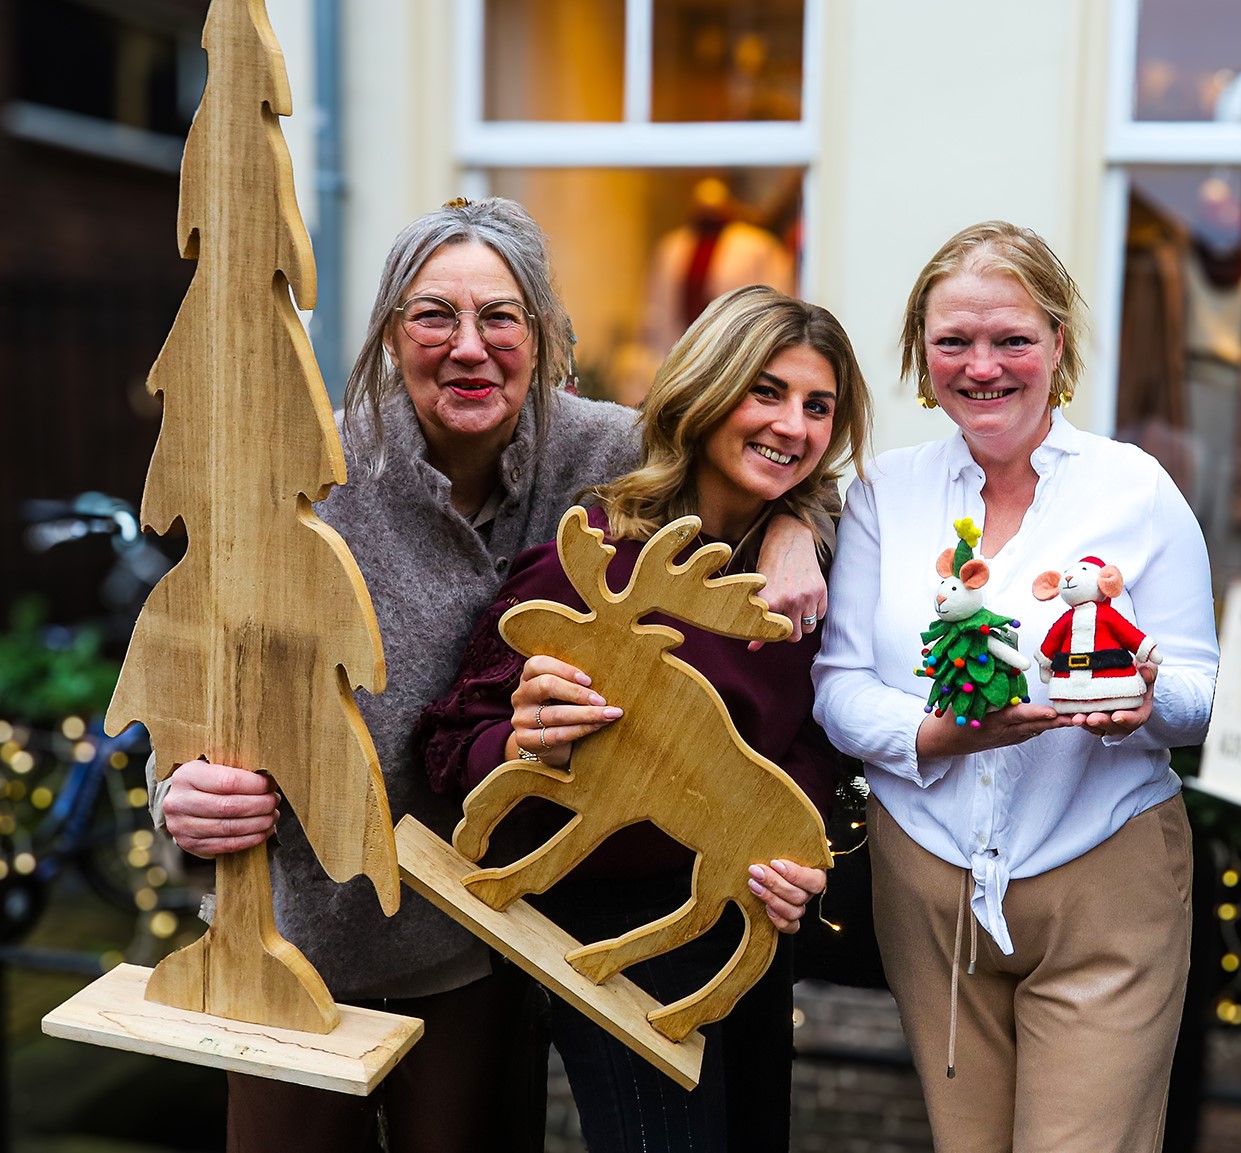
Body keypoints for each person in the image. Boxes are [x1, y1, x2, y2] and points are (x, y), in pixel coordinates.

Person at [152, 198, 825, 1152]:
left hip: (479, 951)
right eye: (434, 315)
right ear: (390, 334)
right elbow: (188, 658)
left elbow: (758, 449)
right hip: (301, 942)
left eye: (500, 317)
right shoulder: (304, 475)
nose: (470, 346)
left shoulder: (603, 450)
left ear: (546, 334)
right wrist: (175, 791)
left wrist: (800, 531)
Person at [418, 284, 869, 1151]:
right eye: (766, 391)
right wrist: (516, 738)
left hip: (746, 923)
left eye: (819, 407)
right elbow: (445, 739)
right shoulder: (597, 562)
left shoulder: (814, 581)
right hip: (607, 932)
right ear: (709, 388)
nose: (794, 426)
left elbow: (815, 742)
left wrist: (795, 854)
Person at [812, 220, 1220, 1152]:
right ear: (923, 352)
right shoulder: (884, 491)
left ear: (1058, 346)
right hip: (926, 881)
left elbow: (1203, 693)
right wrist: (940, 734)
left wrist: (1148, 699)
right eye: (954, 340)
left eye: (1013, 339)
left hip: (1102, 864)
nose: (983, 365)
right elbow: (837, 689)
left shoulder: (1136, 488)